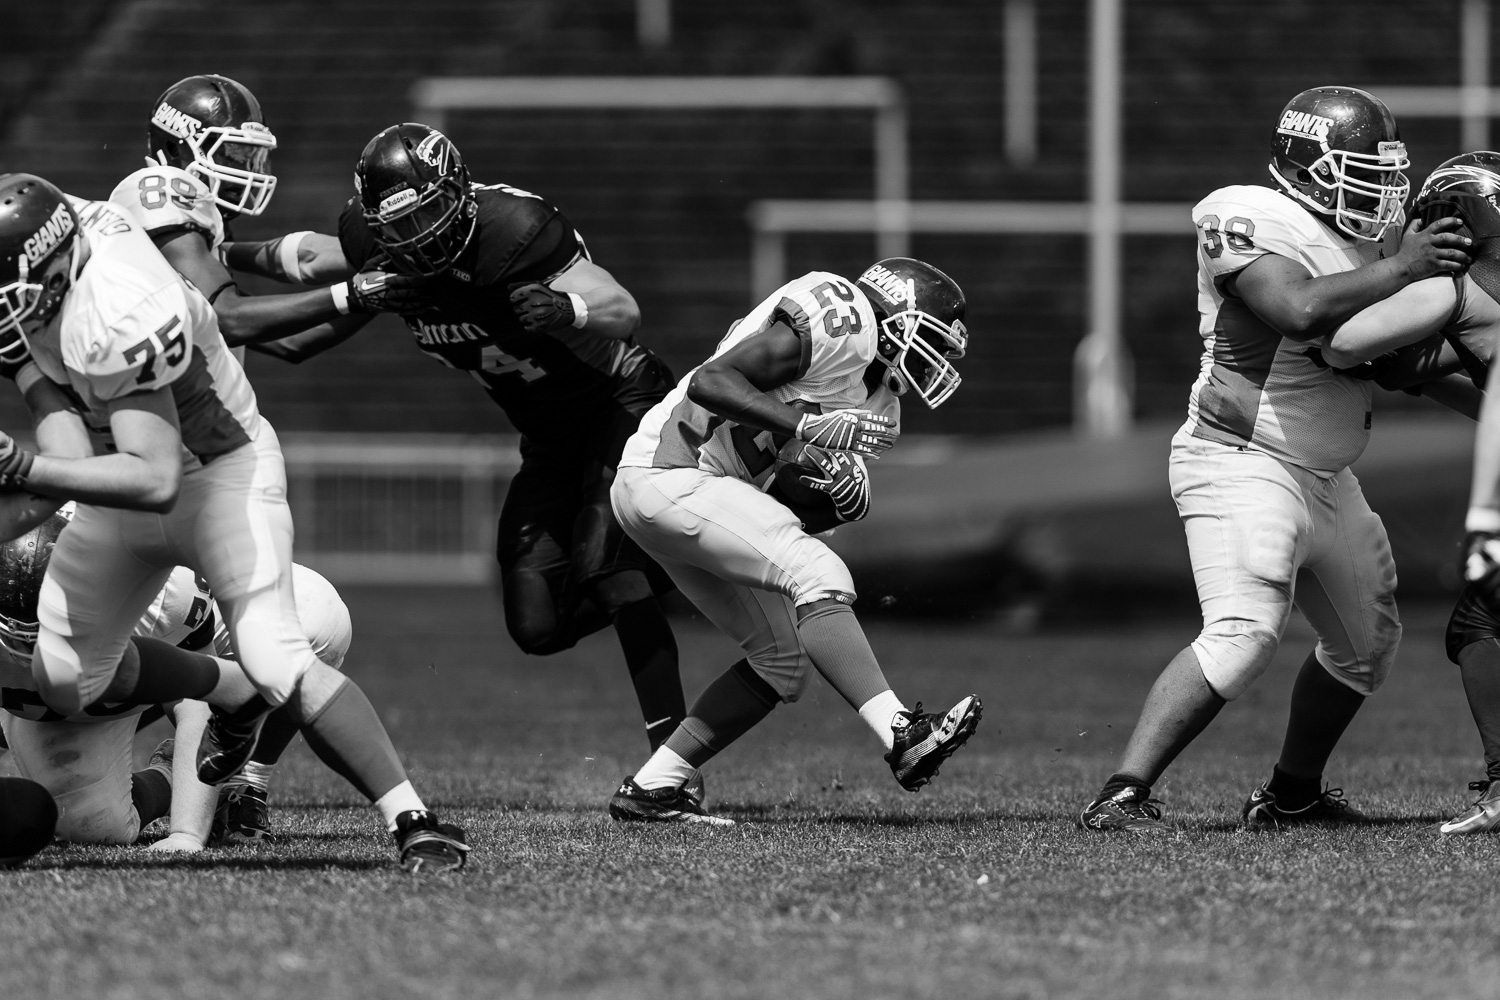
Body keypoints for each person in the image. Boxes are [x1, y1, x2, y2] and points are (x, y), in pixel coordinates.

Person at [0, 171, 468, 871]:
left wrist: (20, 469)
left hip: (217, 475)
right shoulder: (58, 253)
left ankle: (413, 819)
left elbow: (154, 477)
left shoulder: (119, 309)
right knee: (64, 678)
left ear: (53, 263)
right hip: (122, 478)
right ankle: (228, 691)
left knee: (278, 655)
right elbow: (68, 439)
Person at [227, 123, 693, 782]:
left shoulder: (516, 230)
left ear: (460, 193)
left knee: (607, 569)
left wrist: (566, 308)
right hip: (549, 437)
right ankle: (692, 560)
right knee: (537, 625)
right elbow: (304, 265)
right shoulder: (375, 246)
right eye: (403, 222)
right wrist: (217, 258)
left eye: (430, 212)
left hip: (620, 399)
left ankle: (670, 773)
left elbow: (623, 307)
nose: (421, 234)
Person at [1077, 86, 1473, 833]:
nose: (1384, 189)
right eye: (1365, 170)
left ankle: (1290, 796)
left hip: (1327, 474)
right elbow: (1298, 309)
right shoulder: (1253, 215)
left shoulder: (1376, 252)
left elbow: (1397, 368)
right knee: (1244, 629)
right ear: (1312, 167)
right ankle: (1121, 794)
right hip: (1240, 460)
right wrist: (1408, 268)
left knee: (1366, 645)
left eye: (1389, 172)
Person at [108, 74, 419, 841]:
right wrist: (359, 291)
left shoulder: (192, 223)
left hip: (189, 484)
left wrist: (379, 296)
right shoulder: (149, 193)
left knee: (317, 620)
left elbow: (291, 340)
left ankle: (236, 783)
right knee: (88, 793)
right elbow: (237, 317)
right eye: (233, 150)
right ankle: (167, 805)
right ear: (180, 142)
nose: (248, 166)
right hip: (140, 491)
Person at [605, 256, 982, 824]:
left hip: (701, 497)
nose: (935, 364)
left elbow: (777, 502)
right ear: (897, 317)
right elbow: (713, 382)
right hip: (670, 472)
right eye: (931, 340)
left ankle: (654, 787)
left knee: (782, 661)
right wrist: (805, 427)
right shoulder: (843, 318)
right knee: (820, 573)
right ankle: (902, 734)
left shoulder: (882, 405)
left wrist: (829, 500)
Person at [0, 505, 351, 852]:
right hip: (59, 701)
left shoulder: (164, 594)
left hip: (150, 641)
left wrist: (186, 833)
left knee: (315, 617)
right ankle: (168, 772)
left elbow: (198, 696)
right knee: (94, 824)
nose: (48, 653)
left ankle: (244, 782)